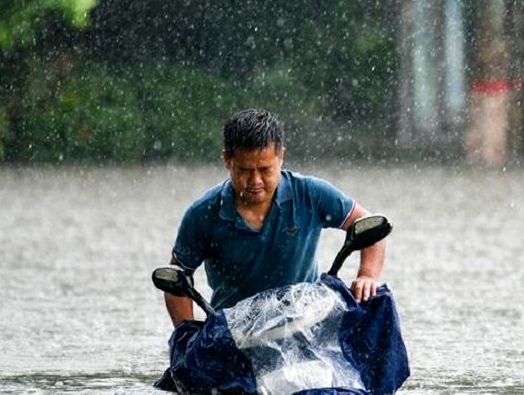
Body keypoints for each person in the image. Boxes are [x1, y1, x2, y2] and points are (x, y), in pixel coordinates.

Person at [163, 108, 384, 325]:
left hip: (305, 322)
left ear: (281, 157)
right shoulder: (202, 214)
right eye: (245, 170)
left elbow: (370, 226)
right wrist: (188, 336)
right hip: (235, 335)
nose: (256, 181)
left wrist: (367, 275)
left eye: (265, 169)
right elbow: (176, 279)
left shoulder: (311, 194)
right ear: (227, 160)